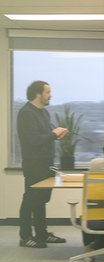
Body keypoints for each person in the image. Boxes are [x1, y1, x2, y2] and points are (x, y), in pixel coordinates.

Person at [17, 80, 69, 248]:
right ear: (37, 94)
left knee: (41, 200)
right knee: (30, 200)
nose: (50, 95)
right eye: (48, 92)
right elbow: (34, 140)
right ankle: (25, 237)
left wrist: (56, 134)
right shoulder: (26, 113)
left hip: (47, 163)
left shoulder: (44, 113)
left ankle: (41, 234)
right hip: (33, 164)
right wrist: (53, 135)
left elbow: (46, 135)